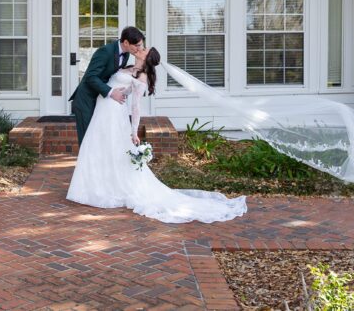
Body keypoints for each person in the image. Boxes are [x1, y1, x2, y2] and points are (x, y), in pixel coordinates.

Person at [67, 45, 247, 224]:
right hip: (102, 110)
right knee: (99, 148)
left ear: (147, 57)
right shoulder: (127, 66)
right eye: (139, 46)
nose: (140, 48)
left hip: (114, 114)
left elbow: (136, 107)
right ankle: (96, 186)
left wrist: (134, 131)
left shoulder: (142, 76)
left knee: (113, 149)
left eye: (143, 49)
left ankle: (106, 189)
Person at [68, 26, 146, 146]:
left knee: (99, 140)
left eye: (141, 45)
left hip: (102, 102)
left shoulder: (126, 55)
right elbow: (90, 77)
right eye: (137, 45)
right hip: (86, 100)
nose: (139, 48)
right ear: (126, 42)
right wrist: (111, 92)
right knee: (87, 142)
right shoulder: (105, 51)